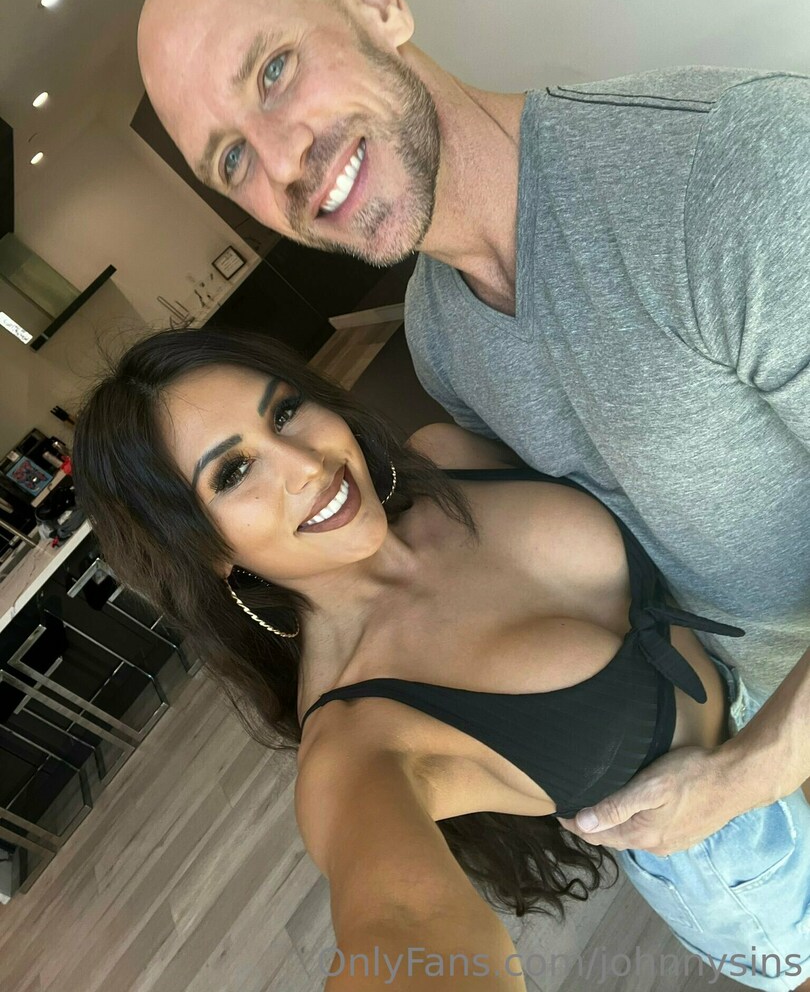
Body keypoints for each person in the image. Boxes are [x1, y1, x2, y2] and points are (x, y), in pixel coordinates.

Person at [135, 0, 810, 858]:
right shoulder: (440, 339)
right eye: (230, 161)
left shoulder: (731, 173)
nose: (282, 161)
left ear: (376, 6)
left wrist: (750, 774)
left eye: (275, 70)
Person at [72, 326, 809, 991]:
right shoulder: (356, 737)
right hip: (744, 863)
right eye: (234, 473)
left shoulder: (444, 458)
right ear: (203, 552)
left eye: (286, 411)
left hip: (780, 696)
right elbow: (401, 925)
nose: (306, 465)